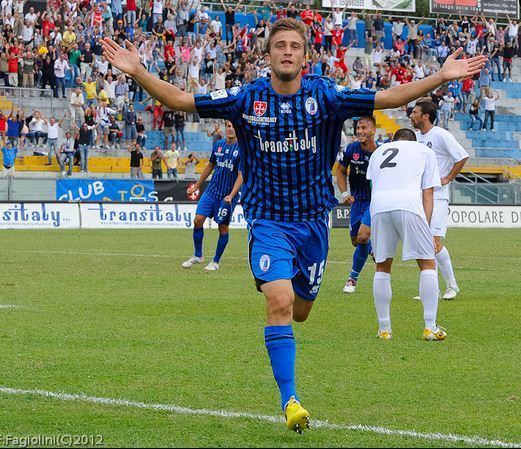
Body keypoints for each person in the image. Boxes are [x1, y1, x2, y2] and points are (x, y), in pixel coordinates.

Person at [102, 18, 485, 432]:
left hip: (313, 225)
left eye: (295, 46)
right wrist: (139, 71)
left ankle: (276, 279)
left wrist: (440, 76)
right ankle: (290, 401)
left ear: (305, 55)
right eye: (279, 45)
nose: (287, 51)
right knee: (280, 301)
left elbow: (390, 96)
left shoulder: (327, 95)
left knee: (300, 310)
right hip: (268, 220)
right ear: (267, 56)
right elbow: (179, 99)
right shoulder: (245, 98)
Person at [366, 128, 446, 341]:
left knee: (382, 266)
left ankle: (384, 329)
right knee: (427, 263)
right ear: (413, 140)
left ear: (394, 140)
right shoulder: (423, 151)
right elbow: (427, 193)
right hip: (408, 204)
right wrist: (428, 230)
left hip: (379, 206)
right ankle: (430, 326)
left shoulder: (378, 152)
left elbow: (375, 188)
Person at [410, 100, 469, 300]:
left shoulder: (441, 135)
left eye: (415, 112)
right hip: (420, 197)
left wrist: (447, 178)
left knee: (434, 242)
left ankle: (452, 285)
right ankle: (431, 288)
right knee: (424, 242)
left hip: (438, 196)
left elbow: (462, 156)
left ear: (425, 116)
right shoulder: (416, 138)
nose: (411, 115)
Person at [182, 120, 243, 272]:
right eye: (229, 126)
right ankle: (198, 255)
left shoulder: (242, 149)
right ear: (225, 127)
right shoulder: (218, 145)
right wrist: (196, 186)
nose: (231, 129)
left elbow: (242, 176)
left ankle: (215, 261)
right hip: (211, 191)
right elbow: (210, 166)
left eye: (233, 126)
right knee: (198, 220)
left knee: (222, 228)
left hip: (227, 196)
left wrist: (231, 195)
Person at [336, 116, 377, 294]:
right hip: (357, 200)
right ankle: (374, 249)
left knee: (362, 236)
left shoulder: (381, 151)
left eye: (364, 128)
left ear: (373, 130)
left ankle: (352, 279)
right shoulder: (351, 149)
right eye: (358, 128)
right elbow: (340, 171)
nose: (360, 131)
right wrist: (344, 193)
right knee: (357, 241)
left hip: (375, 200)